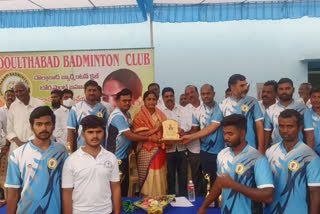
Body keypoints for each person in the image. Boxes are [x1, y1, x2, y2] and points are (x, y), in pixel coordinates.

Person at [197, 114, 274, 214]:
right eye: (224, 133)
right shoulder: (222, 155)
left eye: (230, 134)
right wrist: (204, 206)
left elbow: (268, 196)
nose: (226, 137)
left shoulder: (257, 159)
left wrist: (234, 185)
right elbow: (219, 184)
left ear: (242, 134)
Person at [5, 106, 68, 214]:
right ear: (31, 127)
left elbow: (66, 188)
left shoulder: (61, 151)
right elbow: (13, 194)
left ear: (53, 126)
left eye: (48, 123)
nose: (44, 128)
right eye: (39, 124)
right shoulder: (17, 155)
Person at [62, 115, 121, 214]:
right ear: (83, 134)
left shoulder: (111, 158)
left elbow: (115, 187)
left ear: (104, 133)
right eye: (90, 132)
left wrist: (117, 212)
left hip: (106, 211)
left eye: (98, 132)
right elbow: (67, 193)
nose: (95, 136)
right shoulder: (71, 161)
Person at [266, 109, 320, 214]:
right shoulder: (270, 152)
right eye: (281, 126)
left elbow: (316, 193)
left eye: (290, 126)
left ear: (300, 128)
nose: (285, 130)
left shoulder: (310, 156)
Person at [107, 88, 158, 197]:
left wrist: (131, 147)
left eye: (129, 100)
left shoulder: (127, 115)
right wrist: (150, 137)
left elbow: (131, 134)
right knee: (118, 189)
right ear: (117, 101)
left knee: (125, 187)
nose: (127, 103)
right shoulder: (118, 116)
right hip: (116, 158)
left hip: (124, 156)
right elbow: (129, 135)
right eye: (124, 101)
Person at [181, 84, 224, 186]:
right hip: (205, 152)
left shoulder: (221, 108)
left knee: (221, 182)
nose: (206, 96)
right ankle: (208, 202)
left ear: (213, 94)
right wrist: (184, 134)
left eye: (208, 93)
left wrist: (189, 137)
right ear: (200, 95)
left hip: (222, 151)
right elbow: (194, 130)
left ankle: (222, 202)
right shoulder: (197, 112)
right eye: (203, 94)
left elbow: (212, 128)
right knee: (208, 183)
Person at [219, 74, 265, 154]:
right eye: (242, 86)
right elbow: (213, 126)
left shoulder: (252, 102)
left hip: (250, 148)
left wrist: (261, 149)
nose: (245, 88)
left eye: (246, 85)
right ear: (232, 87)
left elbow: (259, 125)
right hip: (230, 150)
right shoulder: (223, 104)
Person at [132, 90, 166, 197]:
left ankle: (160, 198)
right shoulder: (139, 116)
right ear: (144, 101)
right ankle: (146, 200)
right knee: (148, 175)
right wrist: (154, 131)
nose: (151, 101)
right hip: (145, 150)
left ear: (157, 101)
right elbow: (139, 134)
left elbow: (167, 130)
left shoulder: (161, 114)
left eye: (154, 99)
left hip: (160, 149)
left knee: (159, 176)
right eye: (149, 99)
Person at [159, 87, 189, 197]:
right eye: (166, 97)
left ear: (174, 96)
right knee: (170, 175)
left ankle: (183, 198)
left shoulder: (182, 109)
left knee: (183, 174)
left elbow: (187, 124)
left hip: (181, 148)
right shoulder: (159, 112)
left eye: (171, 96)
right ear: (163, 98)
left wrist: (183, 130)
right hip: (168, 149)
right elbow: (158, 128)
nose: (169, 98)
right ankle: (170, 198)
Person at [264, 78, 307, 148]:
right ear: (277, 91)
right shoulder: (270, 110)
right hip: (277, 150)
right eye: (281, 89)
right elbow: (267, 135)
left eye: (287, 88)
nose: (284, 91)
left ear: (293, 90)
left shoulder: (302, 108)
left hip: (298, 149)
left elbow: (307, 132)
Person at [67, 80, 108, 153]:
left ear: (98, 92)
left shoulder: (103, 109)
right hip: (82, 150)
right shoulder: (76, 108)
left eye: (94, 90)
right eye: (89, 90)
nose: (92, 93)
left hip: (100, 150)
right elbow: (70, 133)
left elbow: (106, 131)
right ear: (85, 92)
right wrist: (69, 152)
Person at [7, 81, 45, 155]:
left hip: (36, 146)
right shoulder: (13, 106)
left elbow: (43, 127)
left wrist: (29, 142)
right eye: (16, 92)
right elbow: (9, 129)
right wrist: (19, 142)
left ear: (28, 90)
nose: (18, 94)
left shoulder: (40, 104)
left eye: (21, 91)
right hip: (16, 147)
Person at [184, 85, 205, 196]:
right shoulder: (185, 110)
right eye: (187, 94)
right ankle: (198, 200)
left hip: (208, 148)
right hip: (193, 149)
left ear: (197, 93)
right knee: (196, 177)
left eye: (192, 92)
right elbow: (186, 129)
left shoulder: (206, 106)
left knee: (209, 176)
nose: (190, 95)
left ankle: (211, 201)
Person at [304, 87, 320, 156]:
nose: (317, 100)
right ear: (310, 98)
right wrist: (311, 158)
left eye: (319, 97)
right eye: (314, 97)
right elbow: (310, 138)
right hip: (315, 152)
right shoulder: (307, 113)